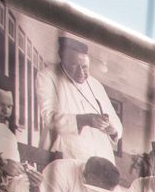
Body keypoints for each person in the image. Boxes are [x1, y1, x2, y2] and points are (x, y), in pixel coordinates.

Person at [36, 35, 121, 165]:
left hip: (102, 158)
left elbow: (115, 120)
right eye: (74, 66)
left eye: (85, 67)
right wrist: (85, 119)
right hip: (67, 155)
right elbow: (49, 117)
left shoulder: (96, 85)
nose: (81, 73)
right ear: (62, 59)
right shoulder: (48, 77)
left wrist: (113, 130)